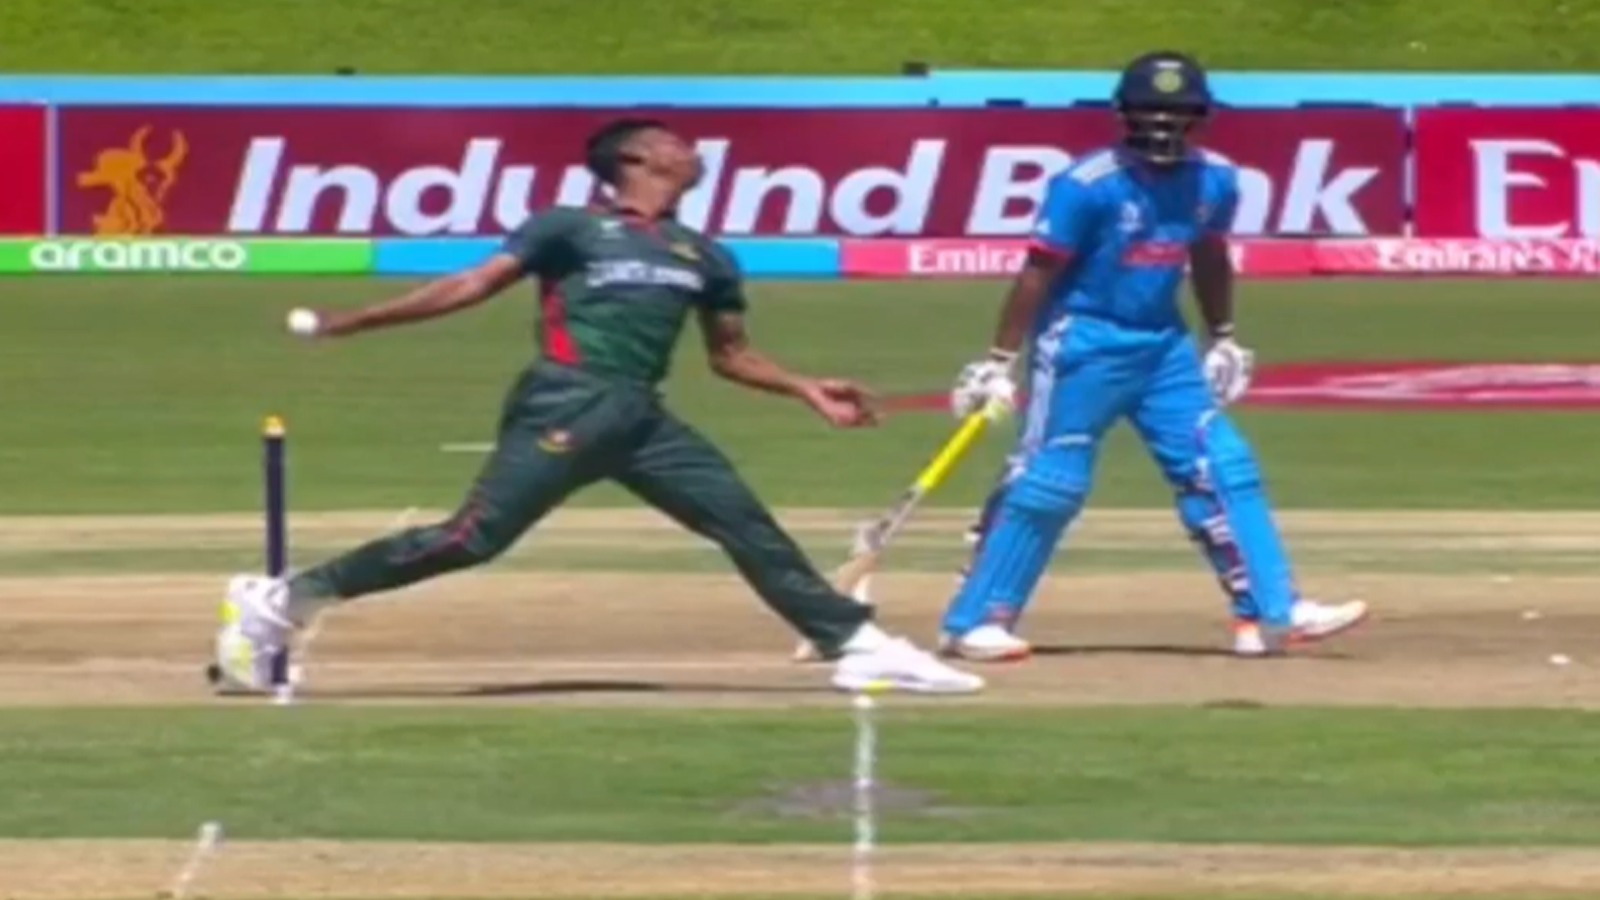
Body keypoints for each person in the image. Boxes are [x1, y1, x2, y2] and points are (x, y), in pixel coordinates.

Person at [213, 117, 983, 696]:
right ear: (637, 159)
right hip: (569, 399)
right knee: (472, 538)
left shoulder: (704, 254)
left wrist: (806, 387)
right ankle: (283, 598)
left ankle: (855, 644)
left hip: (642, 419)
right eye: (676, 143)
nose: (693, 151)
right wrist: (357, 322)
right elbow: (473, 284)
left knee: (743, 522)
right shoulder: (572, 228)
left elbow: (730, 355)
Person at [937, 52, 1368, 662]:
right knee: (1052, 481)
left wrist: (1223, 336)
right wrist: (999, 359)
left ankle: (1273, 611)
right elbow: (1039, 271)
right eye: (1150, 111)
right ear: (1124, 114)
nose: (1164, 124)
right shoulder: (1087, 184)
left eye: (1179, 112)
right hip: (1082, 343)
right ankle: (976, 620)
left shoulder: (1216, 178)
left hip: (1164, 345)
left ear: (1201, 116)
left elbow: (1210, 255)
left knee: (1223, 464)